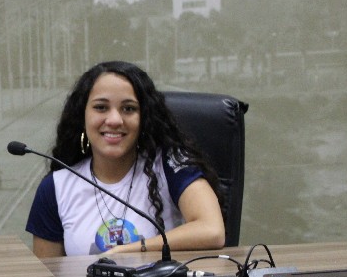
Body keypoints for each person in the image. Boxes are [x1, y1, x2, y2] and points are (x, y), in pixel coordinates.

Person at [25, 61, 225, 257]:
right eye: (101, 107)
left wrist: (132, 249)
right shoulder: (56, 187)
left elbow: (212, 230)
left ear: (144, 117)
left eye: (128, 109)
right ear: (82, 116)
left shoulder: (170, 165)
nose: (114, 120)